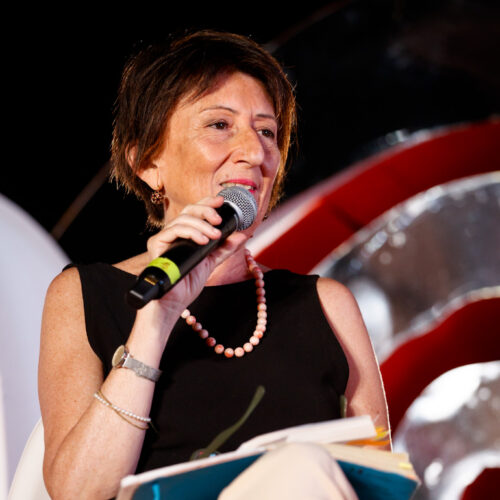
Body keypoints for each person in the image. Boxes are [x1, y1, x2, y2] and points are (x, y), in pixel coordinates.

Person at [38, 29, 390, 499]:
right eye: (220, 125)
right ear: (147, 163)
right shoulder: (82, 294)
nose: (255, 153)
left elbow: (380, 484)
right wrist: (155, 321)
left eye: (267, 131)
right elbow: (78, 491)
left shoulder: (327, 304)